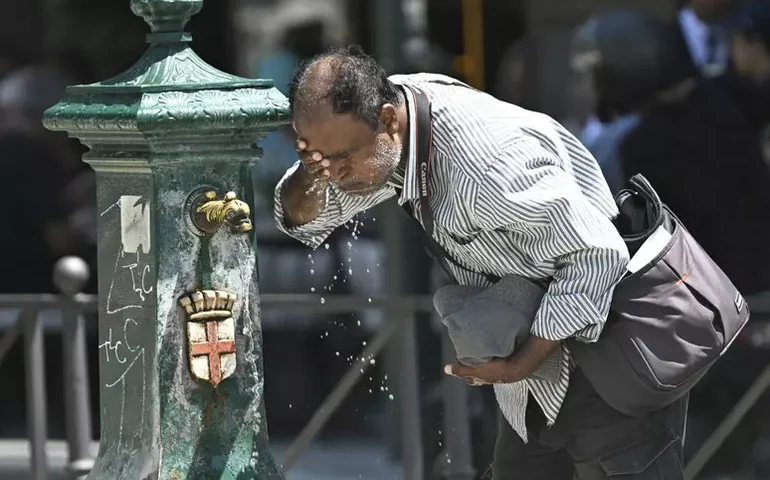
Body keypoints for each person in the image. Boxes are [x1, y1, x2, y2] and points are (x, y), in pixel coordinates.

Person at [273, 45, 688, 479]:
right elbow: (307, 220)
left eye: (341, 158)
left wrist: (524, 359)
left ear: (389, 122)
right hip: (539, 380)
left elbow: (598, 254)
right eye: (318, 157)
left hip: (608, 358)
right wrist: (309, 170)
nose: (334, 174)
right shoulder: (385, 131)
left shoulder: (486, 164)